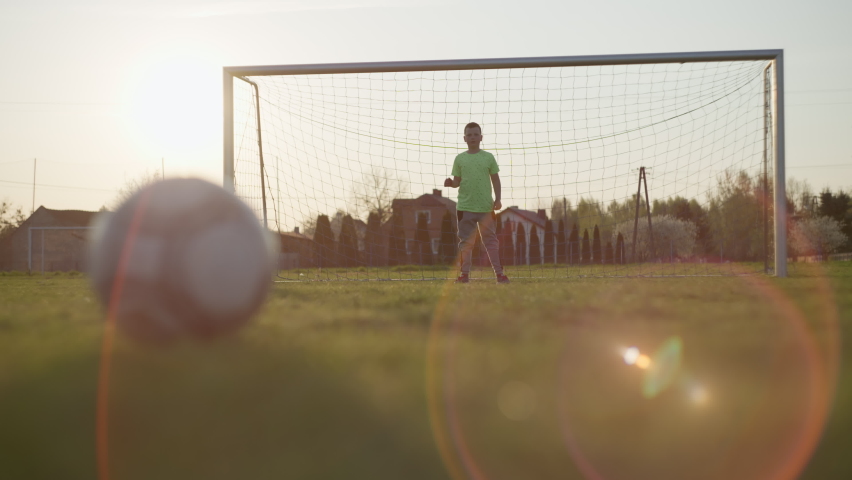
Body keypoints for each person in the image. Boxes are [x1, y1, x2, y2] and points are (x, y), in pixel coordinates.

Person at [444, 122, 510, 284]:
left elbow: (495, 179)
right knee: (466, 243)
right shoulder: (459, 159)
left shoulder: (488, 157)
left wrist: (498, 199)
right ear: (464, 138)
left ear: (481, 137)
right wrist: (450, 183)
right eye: (469, 135)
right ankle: (464, 275)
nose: (472, 137)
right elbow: (457, 181)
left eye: (475, 134)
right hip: (465, 208)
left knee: (491, 242)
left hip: (486, 208)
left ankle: (499, 274)